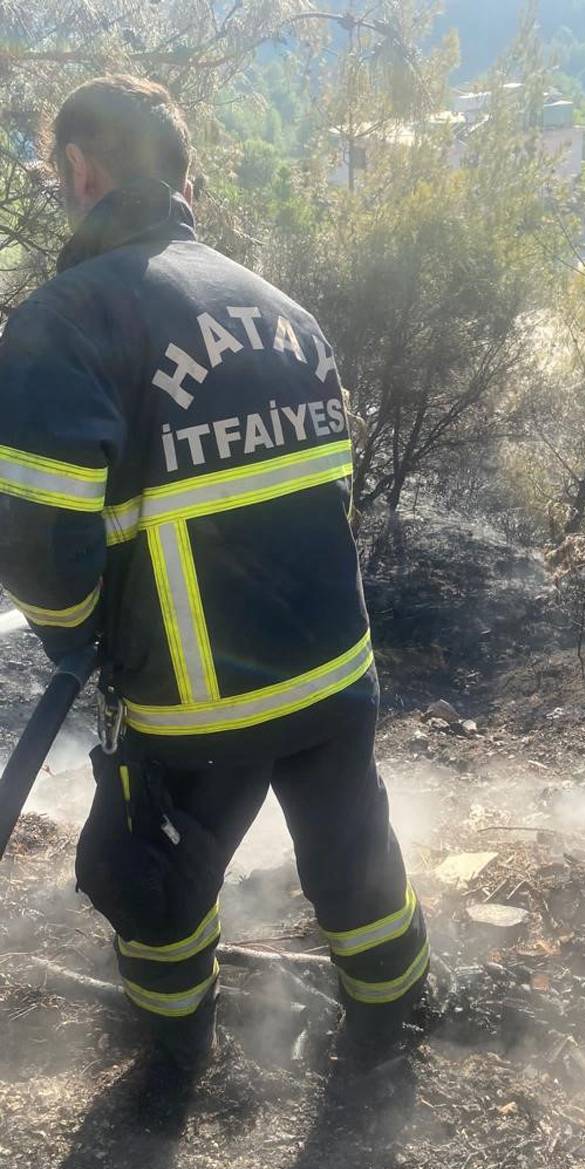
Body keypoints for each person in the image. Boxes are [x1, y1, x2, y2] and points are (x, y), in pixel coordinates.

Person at [0, 76, 428, 1072]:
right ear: (184, 178)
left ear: (80, 169)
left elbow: (37, 539)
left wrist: (78, 640)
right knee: (358, 866)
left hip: (195, 705)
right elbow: (330, 494)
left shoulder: (67, 320)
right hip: (335, 672)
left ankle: (172, 1064)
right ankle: (392, 1034)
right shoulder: (285, 310)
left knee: (154, 885)